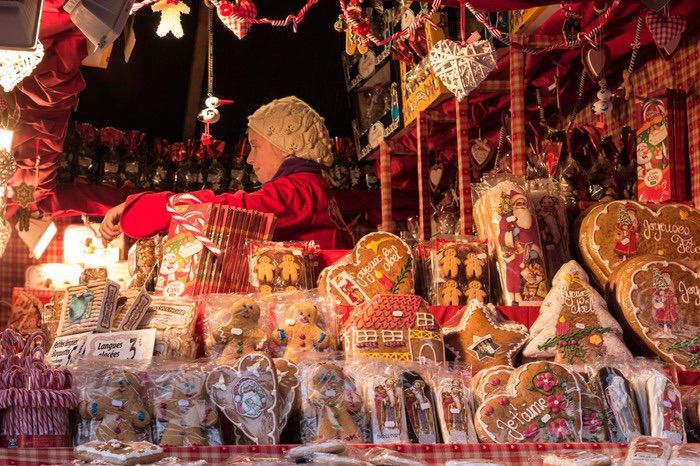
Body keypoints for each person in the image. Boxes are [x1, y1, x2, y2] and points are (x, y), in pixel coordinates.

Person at [100, 97, 353, 250]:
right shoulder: (314, 187)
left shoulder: (300, 189)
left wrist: (145, 208)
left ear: (287, 147)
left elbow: (234, 211)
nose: (250, 159)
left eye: (255, 146)